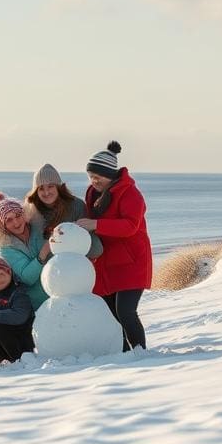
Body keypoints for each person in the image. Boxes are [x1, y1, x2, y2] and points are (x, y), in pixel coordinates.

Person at [76, 141, 153, 351]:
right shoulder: (93, 193)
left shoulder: (130, 193)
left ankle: (140, 352)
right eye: (90, 176)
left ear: (110, 174)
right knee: (110, 314)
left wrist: (96, 224)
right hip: (106, 261)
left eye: (98, 176)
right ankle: (124, 353)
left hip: (132, 261)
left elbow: (130, 226)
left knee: (126, 311)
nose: (94, 180)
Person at [25, 163, 103, 258]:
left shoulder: (76, 206)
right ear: (36, 191)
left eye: (50, 186)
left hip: (70, 263)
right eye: (41, 188)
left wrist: (67, 235)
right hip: (42, 265)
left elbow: (96, 249)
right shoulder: (30, 211)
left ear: (58, 187)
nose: (46, 192)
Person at [0, 192, 50, 310]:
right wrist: (43, 254)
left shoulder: (40, 229)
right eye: (9, 220)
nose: (16, 223)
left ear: (24, 214)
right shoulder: (5, 248)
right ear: (2, 226)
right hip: (34, 305)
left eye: (18, 215)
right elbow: (27, 278)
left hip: (58, 294)